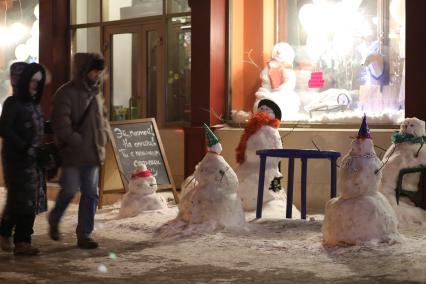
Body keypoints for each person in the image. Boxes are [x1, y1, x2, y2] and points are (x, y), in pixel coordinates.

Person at [48, 52, 110, 249]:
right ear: (84, 71)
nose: (97, 76)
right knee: (69, 190)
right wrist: (76, 140)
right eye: (94, 71)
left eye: (99, 72)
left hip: (92, 153)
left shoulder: (97, 93)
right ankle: (55, 218)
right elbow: (60, 123)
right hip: (73, 154)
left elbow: (103, 118)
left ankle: (85, 233)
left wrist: (105, 137)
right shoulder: (65, 93)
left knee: (91, 193)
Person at [0, 62, 48, 255]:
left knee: (25, 199)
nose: (36, 85)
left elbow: (37, 125)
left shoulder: (33, 103)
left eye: (39, 82)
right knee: (25, 199)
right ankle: (22, 240)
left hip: (33, 159)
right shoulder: (13, 103)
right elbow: (5, 128)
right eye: (33, 81)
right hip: (18, 160)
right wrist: (25, 147)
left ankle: (5, 232)